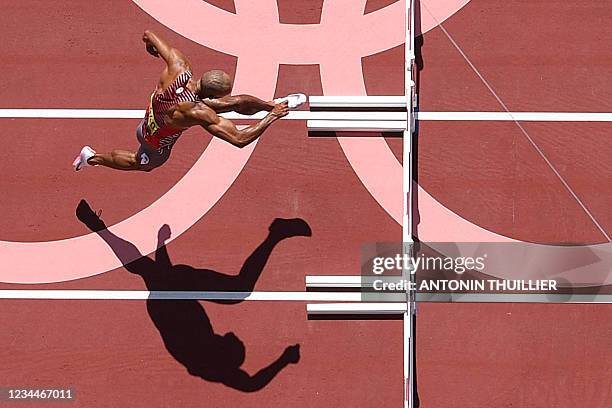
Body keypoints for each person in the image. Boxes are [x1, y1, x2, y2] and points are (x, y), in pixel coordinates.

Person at [73, 30, 306, 172]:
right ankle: (91, 158)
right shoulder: (198, 113)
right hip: (154, 142)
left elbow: (148, 34)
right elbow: (239, 139)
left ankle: (273, 102)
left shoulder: (179, 65)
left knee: (233, 104)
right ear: (212, 95)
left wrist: (151, 49)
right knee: (140, 164)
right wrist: (271, 118)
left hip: (152, 118)